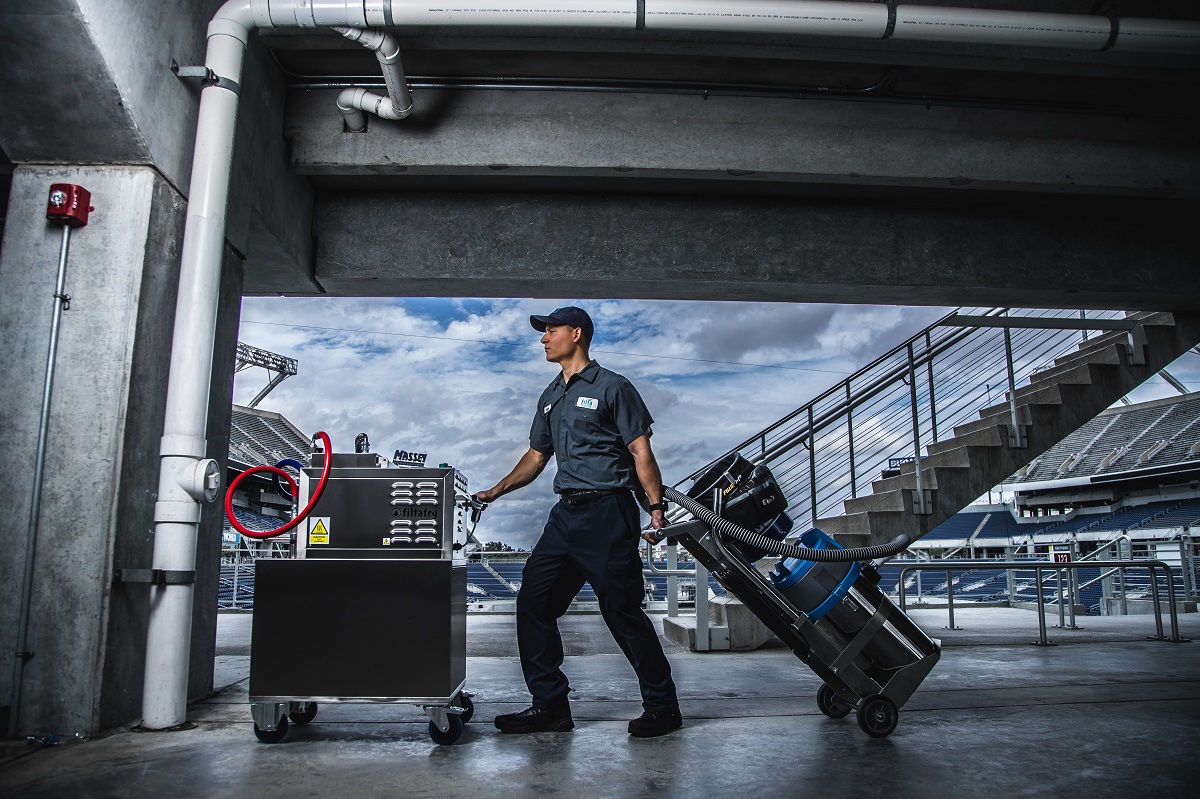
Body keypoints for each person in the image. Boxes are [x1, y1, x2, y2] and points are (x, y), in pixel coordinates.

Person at [474, 305, 683, 738]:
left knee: (621, 612)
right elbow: (536, 457)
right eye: (544, 332)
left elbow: (640, 452)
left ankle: (663, 709)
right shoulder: (551, 394)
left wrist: (656, 509)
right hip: (565, 515)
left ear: (577, 333)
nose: (544, 338)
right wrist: (495, 490)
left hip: (608, 512)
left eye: (551, 330)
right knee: (533, 604)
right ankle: (550, 706)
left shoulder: (613, 387)